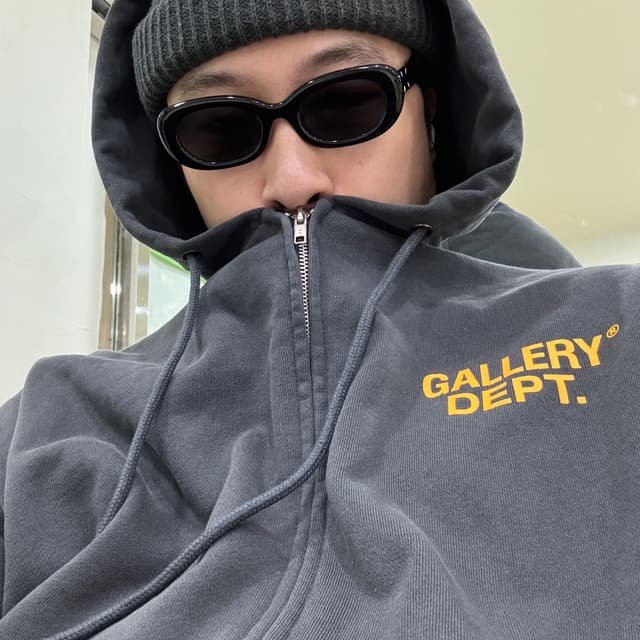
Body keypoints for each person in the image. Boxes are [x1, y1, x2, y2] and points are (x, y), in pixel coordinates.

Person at [0, 0, 637, 638]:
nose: (292, 180)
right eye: (219, 128)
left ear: (432, 107)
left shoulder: (615, 332)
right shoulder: (44, 426)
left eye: (347, 102)